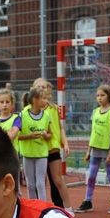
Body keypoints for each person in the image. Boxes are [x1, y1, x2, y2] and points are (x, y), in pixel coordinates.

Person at [75, 85, 110, 214]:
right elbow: (93, 132)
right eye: (97, 95)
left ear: (109, 96)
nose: (99, 98)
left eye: (102, 95)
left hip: (107, 148)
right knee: (92, 175)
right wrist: (88, 150)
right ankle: (88, 200)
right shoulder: (95, 112)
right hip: (95, 147)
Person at [33, 78, 72, 208]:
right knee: (39, 182)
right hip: (38, 149)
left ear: (49, 91)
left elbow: (60, 128)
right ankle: (40, 207)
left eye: (44, 87)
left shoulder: (54, 108)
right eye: (39, 87)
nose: (42, 89)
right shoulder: (30, 110)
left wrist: (65, 143)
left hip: (52, 148)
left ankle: (64, 207)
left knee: (56, 179)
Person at [18, 87, 53, 202]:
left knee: (40, 184)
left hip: (41, 154)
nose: (46, 101)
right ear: (34, 100)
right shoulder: (22, 115)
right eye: (43, 98)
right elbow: (17, 137)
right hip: (28, 154)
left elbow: (50, 135)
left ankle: (42, 207)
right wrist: (30, 136)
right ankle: (33, 206)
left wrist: (45, 135)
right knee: (30, 184)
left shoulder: (46, 116)